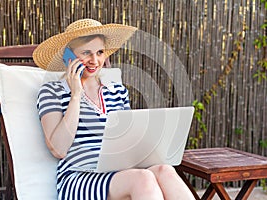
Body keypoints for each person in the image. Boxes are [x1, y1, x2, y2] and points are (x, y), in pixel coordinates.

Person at [33, 19, 194, 200]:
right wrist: (76, 94)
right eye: (87, 53)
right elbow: (58, 149)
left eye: (100, 52)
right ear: (68, 56)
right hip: (78, 178)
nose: (95, 60)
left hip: (120, 172)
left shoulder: (117, 91)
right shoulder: (52, 91)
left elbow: (128, 141)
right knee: (143, 179)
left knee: (165, 170)